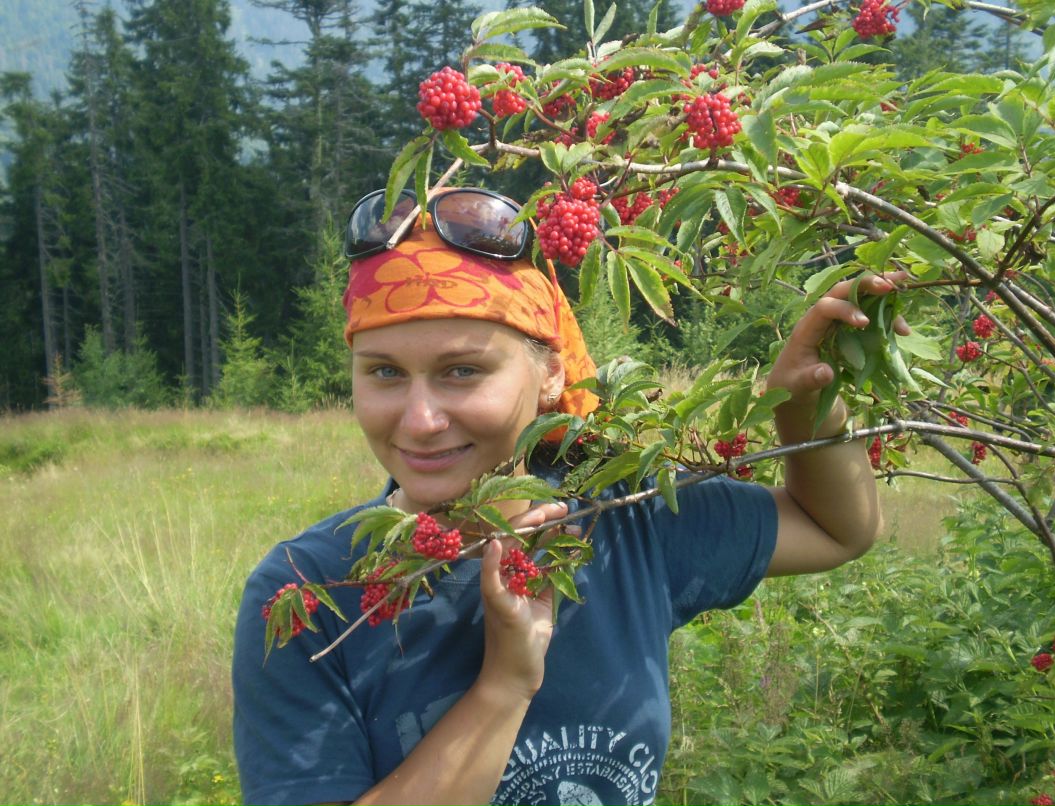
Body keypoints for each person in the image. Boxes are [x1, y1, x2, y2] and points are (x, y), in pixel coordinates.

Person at [232, 185, 906, 806]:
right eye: (384, 373)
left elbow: (837, 529)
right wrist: (504, 685)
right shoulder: (309, 590)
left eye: (461, 371)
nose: (421, 419)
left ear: (551, 372)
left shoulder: (625, 517)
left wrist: (805, 404)